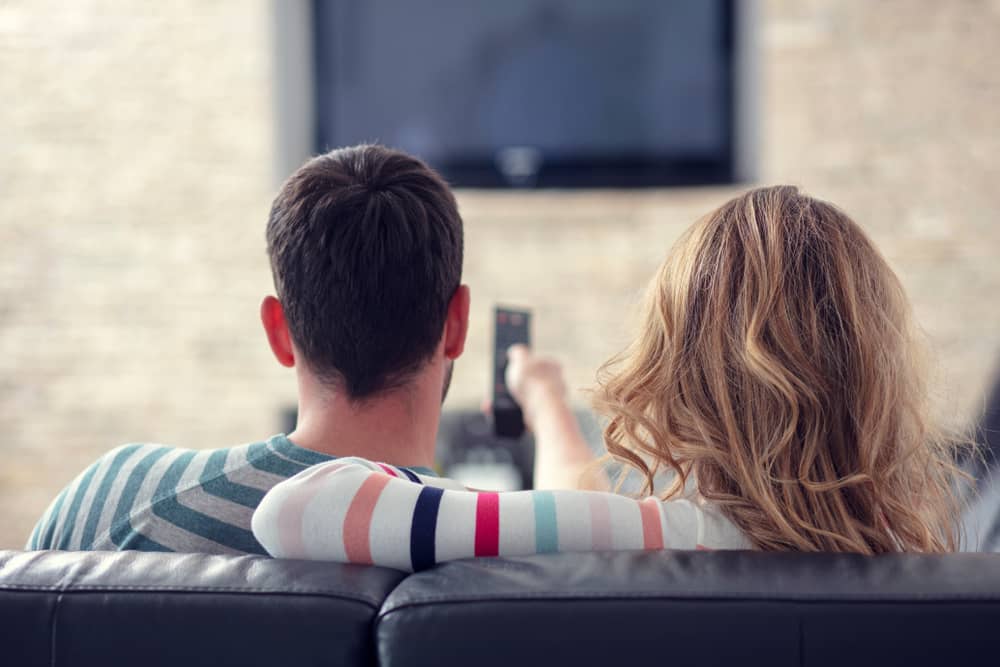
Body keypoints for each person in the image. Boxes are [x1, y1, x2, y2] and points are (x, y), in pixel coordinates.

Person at [251, 185, 971, 571]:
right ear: (874, 373)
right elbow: (581, 508)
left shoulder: (658, 534)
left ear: (678, 369)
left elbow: (294, 510)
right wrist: (547, 404)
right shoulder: (934, 572)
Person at [26, 144, 474, 554]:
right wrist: (546, 405)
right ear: (457, 325)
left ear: (277, 331)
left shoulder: (112, 498)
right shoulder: (508, 555)